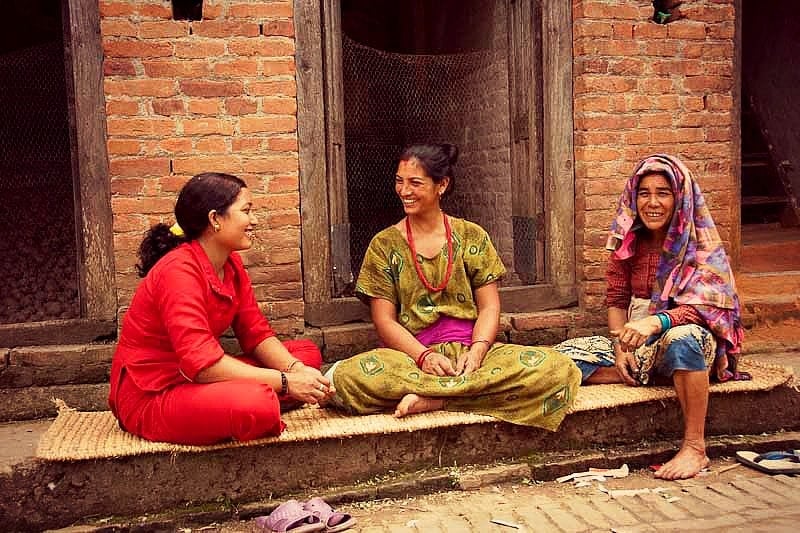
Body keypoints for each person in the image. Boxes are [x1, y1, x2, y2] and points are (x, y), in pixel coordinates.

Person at [324, 144, 581, 430]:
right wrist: (424, 357)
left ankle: (435, 400)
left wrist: (478, 352)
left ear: (442, 185)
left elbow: (490, 307)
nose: (404, 191)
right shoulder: (384, 245)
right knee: (341, 381)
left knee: (558, 370)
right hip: (410, 359)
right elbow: (384, 320)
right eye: (399, 181)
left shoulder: (472, 236)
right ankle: (466, 392)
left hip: (469, 353)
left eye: (415, 183)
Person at [554, 154, 747, 480]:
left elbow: (710, 309)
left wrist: (657, 321)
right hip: (637, 339)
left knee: (681, 341)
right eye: (644, 193)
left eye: (663, 193)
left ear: (680, 198)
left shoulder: (701, 245)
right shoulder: (627, 241)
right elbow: (616, 298)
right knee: (564, 357)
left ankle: (695, 448)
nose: (652, 202)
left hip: (688, 333)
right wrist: (620, 345)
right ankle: (653, 372)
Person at [108, 172, 334, 445]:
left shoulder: (231, 265)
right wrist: (285, 382)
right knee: (258, 404)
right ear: (215, 219)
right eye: (246, 211)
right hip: (155, 393)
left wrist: (295, 370)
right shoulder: (177, 271)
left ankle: (229, 403)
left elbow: (257, 333)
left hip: (198, 380)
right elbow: (202, 366)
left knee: (306, 355)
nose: (254, 220)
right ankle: (241, 404)